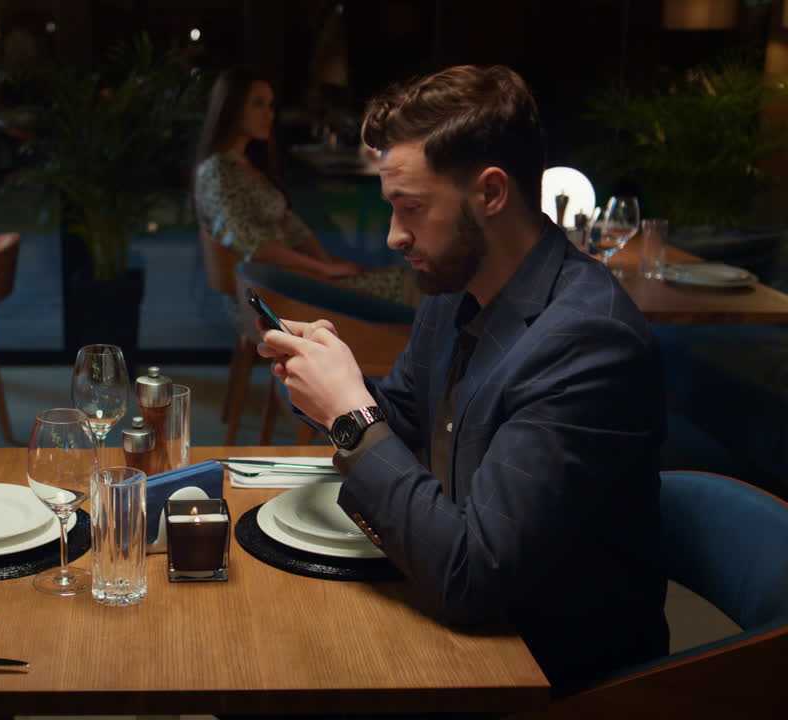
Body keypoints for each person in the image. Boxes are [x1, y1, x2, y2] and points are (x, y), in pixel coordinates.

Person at [259, 65, 668, 694]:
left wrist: (348, 415)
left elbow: (469, 577)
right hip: (459, 623)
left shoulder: (588, 342)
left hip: (543, 668)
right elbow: (398, 421)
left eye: (412, 208)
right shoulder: (456, 293)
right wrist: (331, 382)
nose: (395, 236)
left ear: (493, 193)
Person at [193, 66, 412, 306]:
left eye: (270, 105)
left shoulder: (245, 167)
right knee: (408, 285)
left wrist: (326, 265)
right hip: (274, 290)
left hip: (294, 280)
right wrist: (323, 269)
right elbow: (255, 246)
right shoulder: (218, 172)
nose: (269, 114)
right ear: (232, 108)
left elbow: (293, 227)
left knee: (408, 281)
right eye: (258, 104)